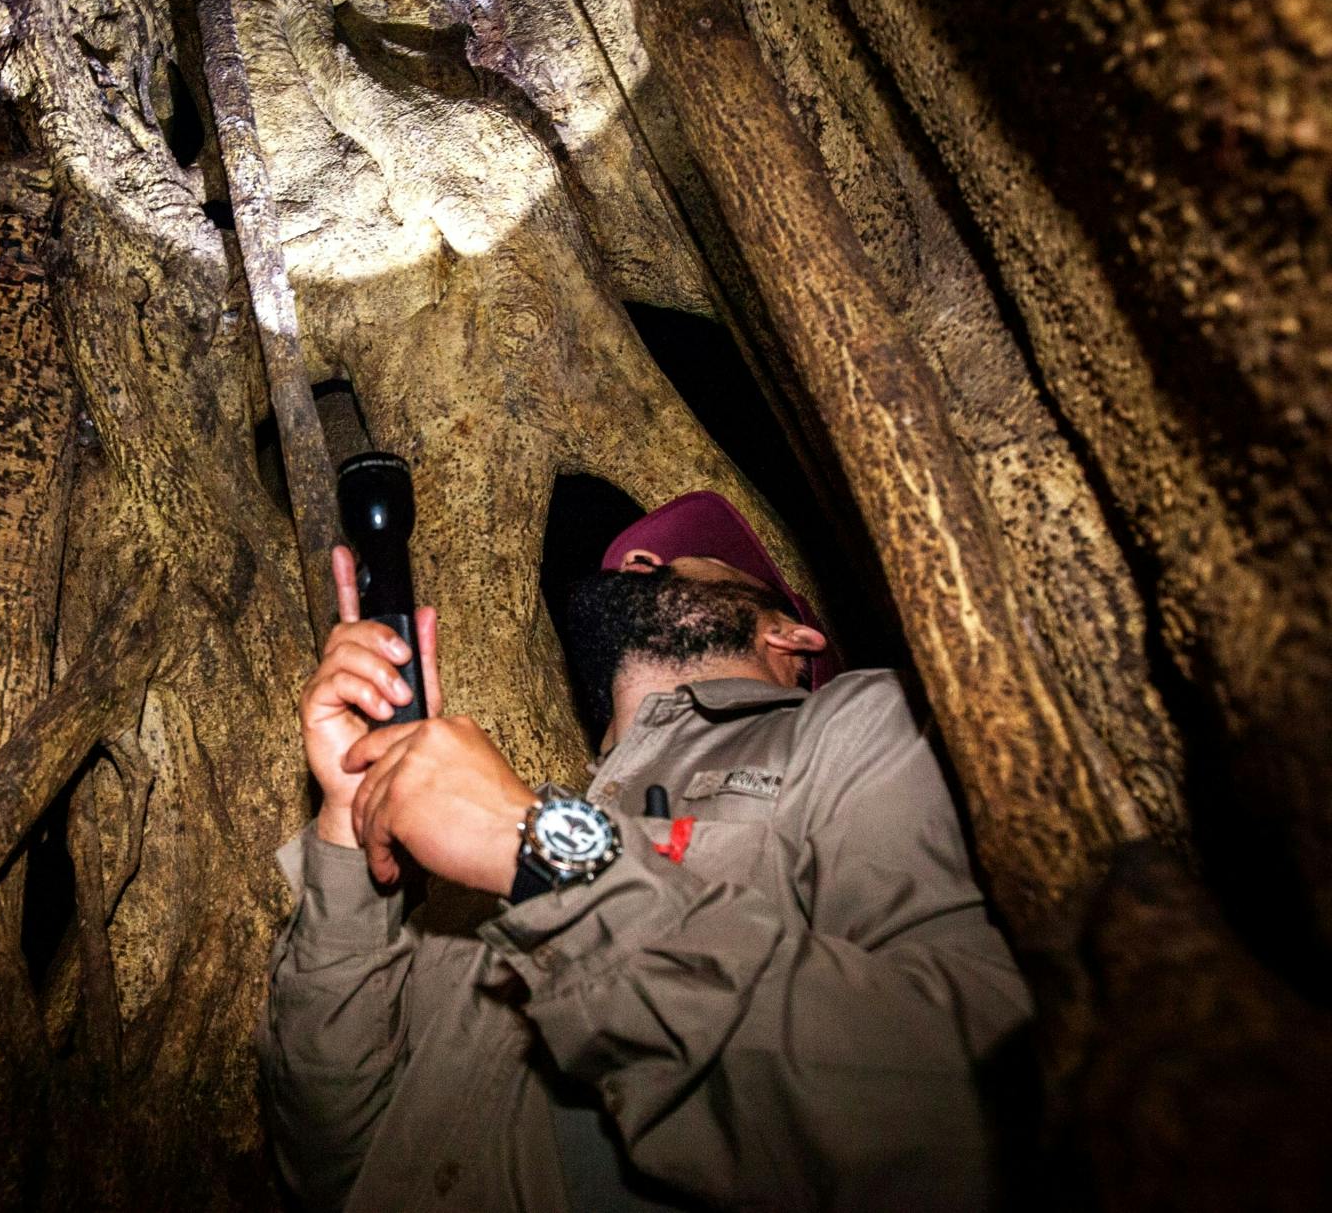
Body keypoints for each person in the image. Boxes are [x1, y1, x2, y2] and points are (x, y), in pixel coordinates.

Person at [256, 490, 1032, 1212]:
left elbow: (968, 1113)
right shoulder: (481, 842)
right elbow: (332, 1160)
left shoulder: (857, 729)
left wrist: (546, 856)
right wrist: (351, 821)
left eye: (682, 559)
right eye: (631, 558)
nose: (630, 560)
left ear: (789, 637)